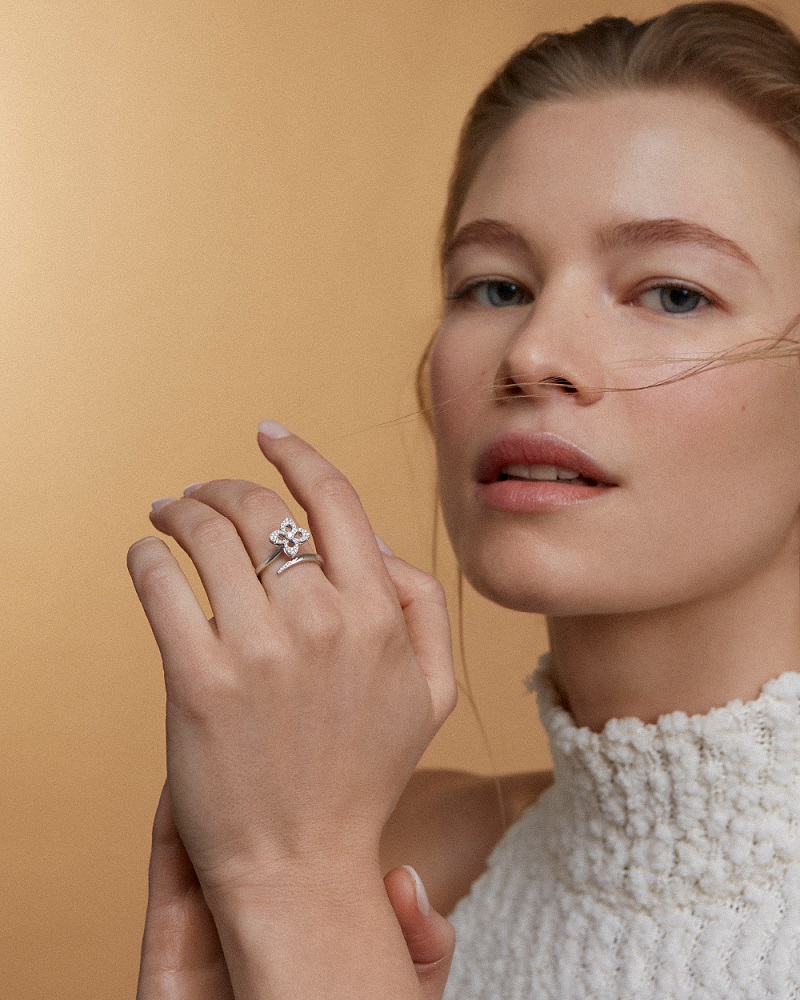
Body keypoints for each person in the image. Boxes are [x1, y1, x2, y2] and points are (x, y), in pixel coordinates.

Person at [128, 2, 800, 997]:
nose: (532, 353)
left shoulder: (324, 863)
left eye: (671, 292)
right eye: (495, 287)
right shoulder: (410, 864)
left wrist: (297, 886)